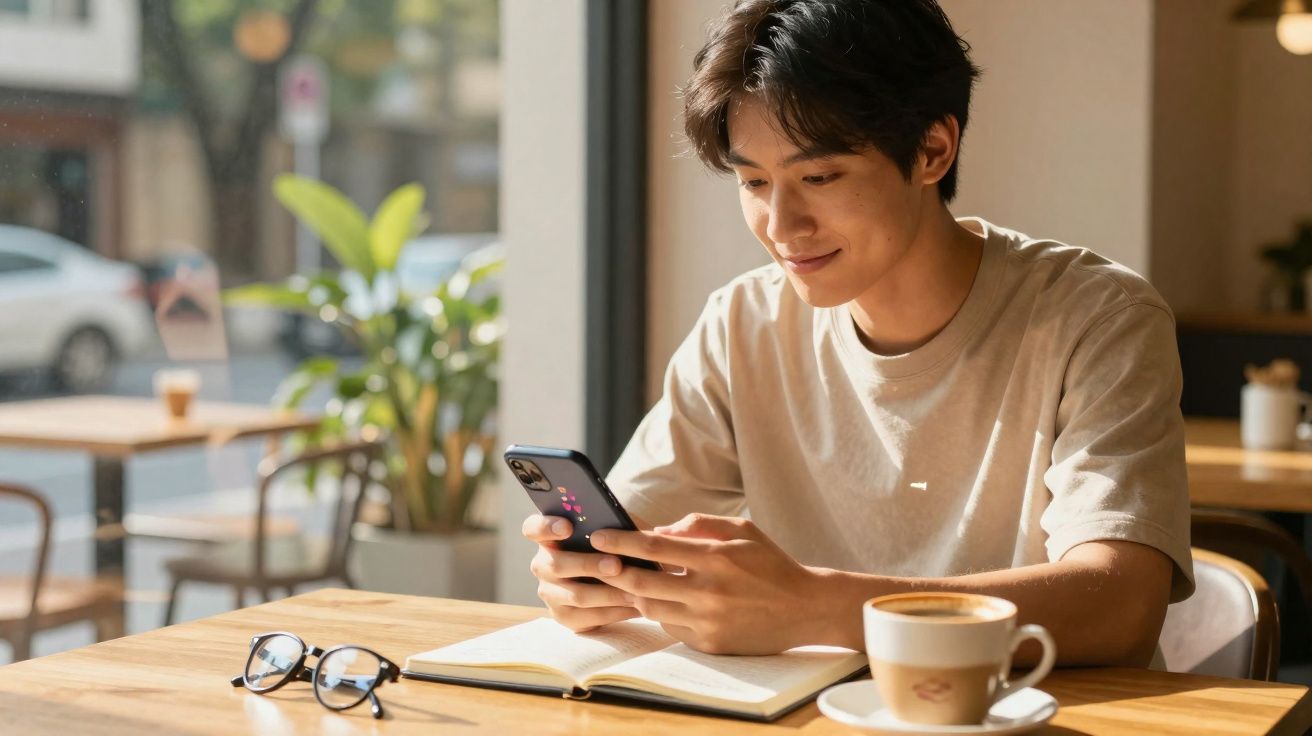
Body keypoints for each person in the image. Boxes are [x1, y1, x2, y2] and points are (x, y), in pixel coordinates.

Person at [523, 0, 1192, 666]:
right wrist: (589, 578)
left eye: (818, 176)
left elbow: (1122, 603)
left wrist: (814, 607)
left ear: (933, 149)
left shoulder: (1097, 317)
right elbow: (632, 533)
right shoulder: (742, 325)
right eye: (754, 181)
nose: (782, 226)